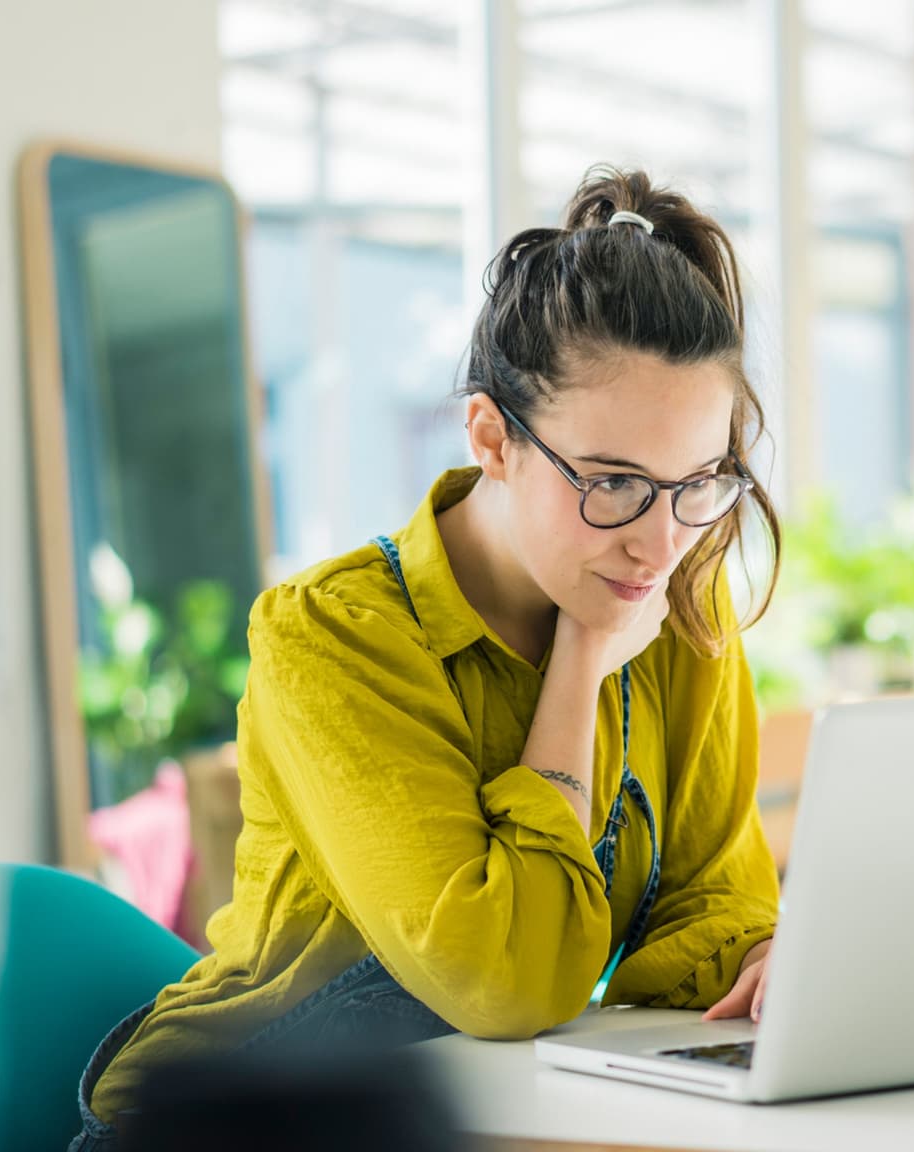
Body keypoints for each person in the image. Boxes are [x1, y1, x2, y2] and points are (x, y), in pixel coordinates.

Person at [71, 166, 784, 1149]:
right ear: (492, 437)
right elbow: (506, 978)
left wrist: (759, 960)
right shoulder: (330, 638)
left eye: (696, 483)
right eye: (614, 484)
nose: (659, 543)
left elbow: (710, 905)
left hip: (482, 1112)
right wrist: (581, 658)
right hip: (241, 1121)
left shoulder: (676, 612)